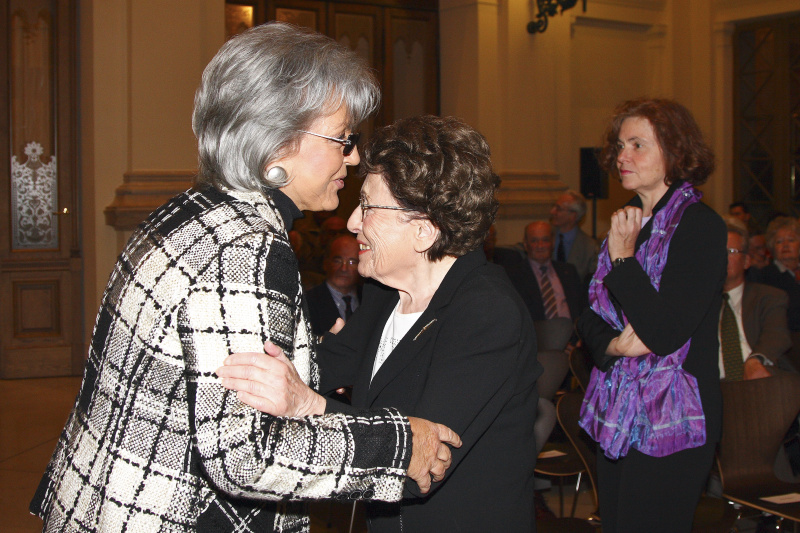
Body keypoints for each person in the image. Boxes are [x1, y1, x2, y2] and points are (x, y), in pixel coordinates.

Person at [30, 23, 459, 533]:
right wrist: (398, 446)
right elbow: (247, 453)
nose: (353, 156)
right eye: (342, 138)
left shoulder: (191, 210)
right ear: (278, 142)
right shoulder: (247, 245)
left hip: (101, 501)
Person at [217, 115, 542, 532]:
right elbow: (317, 368)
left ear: (423, 231)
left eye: (368, 206)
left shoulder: (487, 314)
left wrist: (309, 405)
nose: (352, 221)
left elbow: (420, 465)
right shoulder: (387, 292)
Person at [577, 98, 727, 533]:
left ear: (675, 152)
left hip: (674, 417)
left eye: (637, 145)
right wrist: (613, 345)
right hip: (618, 408)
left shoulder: (700, 226)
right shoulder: (627, 222)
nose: (622, 156)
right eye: (620, 145)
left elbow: (663, 332)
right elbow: (586, 314)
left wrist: (624, 260)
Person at [719, 218, 790, 380]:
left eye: (730, 251)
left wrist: (756, 360)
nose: (722, 257)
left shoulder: (769, 297)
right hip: (714, 386)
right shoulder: (700, 305)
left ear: (746, 261)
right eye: (717, 251)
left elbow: (777, 335)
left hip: (758, 380)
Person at [504, 220, 586, 323]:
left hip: (571, 331)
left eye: (545, 240)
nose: (540, 246)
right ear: (525, 244)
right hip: (537, 331)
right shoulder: (513, 276)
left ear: (553, 243)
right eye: (534, 241)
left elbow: (581, 308)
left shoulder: (569, 271)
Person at [748, 216, 800, 332]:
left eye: (791, 240)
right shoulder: (765, 276)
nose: (785, 245)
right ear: (772, 247)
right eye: (779, 242)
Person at [306, 234, 362, 336]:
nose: (344, 268)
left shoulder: (370, 301)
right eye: (338, 261)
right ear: (326, 263)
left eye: (352, 262)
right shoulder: (307, 302)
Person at [549, 189, 599, 281]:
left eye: (558, 209)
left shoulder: (590, 247)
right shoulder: (545, 237)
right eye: (553, 206)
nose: (552, 211)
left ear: (573, 216)